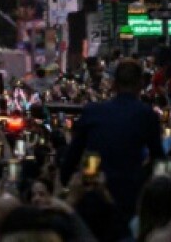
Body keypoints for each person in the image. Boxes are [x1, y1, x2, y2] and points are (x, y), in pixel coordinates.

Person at [59, 58, 164, 222]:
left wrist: (70, 185)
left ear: (114, 84)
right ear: (140, 84)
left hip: (94, 200)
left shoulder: (93, 112)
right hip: (129, 199)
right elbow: (159, 159)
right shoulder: (147, 115)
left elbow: (71, 158)